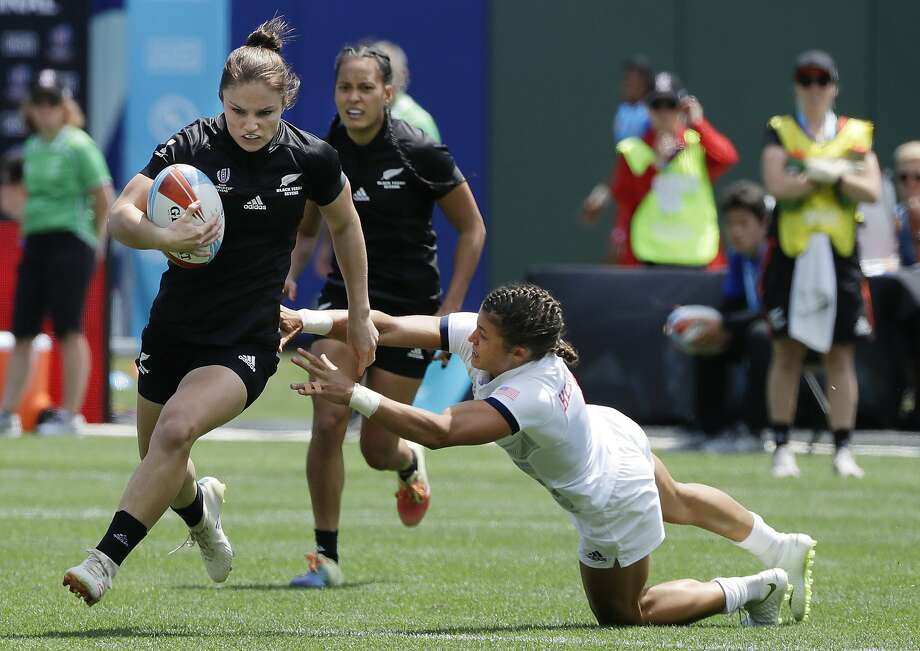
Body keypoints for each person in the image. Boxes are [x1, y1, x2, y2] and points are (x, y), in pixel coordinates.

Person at [61, 18, 378, 606]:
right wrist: (165, 236)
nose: (251, 125)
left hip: (247, 335)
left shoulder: (312, 158)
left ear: (286, 101)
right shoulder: (192, 146)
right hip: (175, 325)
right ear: (221, 102)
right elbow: (121, 217)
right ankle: (202, 514)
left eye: (265, 112)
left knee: (177, 431)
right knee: (162, 456)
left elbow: (346, 226)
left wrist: (359, 313)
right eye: (238, 112)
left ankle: (103, 561)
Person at [280, 283, 817, 626]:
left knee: (626, 614)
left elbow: (441, 431)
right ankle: (779, 545)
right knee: (676, 499)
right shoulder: (497, 342)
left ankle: (755, 589)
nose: (472, 341)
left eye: (484, 337)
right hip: (611, 434)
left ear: (517, 352)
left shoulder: (529, 393)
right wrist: (308, 318)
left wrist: (354, 395)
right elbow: (391, 327)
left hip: (610, 496)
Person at [284, 45, 486, 589]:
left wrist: (449, 311)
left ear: (387, 94)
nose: (354, 98)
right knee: (328, 418)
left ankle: (406, 462)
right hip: (342, 302)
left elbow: (473, 229)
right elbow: (305, 231)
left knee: (376, 447)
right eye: (346, 88)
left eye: (366, 88)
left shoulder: (420, 152)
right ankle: (325, 556)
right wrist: (288, 272)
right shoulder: (322, 156)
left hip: (409, 310)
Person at [761, 50, 880, 479]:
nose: (814, 89)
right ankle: (781, 446)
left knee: (840, 352)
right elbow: (777, 183)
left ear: (834, 86)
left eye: (822, 80)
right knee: (788, 349)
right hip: (793, 253)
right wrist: (820, 171)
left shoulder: (855, 133)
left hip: (839, 254)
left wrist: (828, 174)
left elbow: (870, 187)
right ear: (797, 84)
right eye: (806, 80)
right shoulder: (782, 129)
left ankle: (843, 448)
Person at [0, 71, 113, 437]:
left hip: (71, 241)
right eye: (40, 103)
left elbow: (103, 196)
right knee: (23, 331)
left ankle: (69, 415)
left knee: (68, 328)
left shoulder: (78, 145)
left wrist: (96, 245)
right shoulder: (31, 148)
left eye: (53, 103)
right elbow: (25, 200)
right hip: (36, 243)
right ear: (31, 109)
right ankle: (7, 413)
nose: (46, 110)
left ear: (64, 107)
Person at [582, 72, 737, 267]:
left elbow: (727, 158)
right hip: (650, 258)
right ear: (647, 109)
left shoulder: (698, 143)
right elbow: (625, 199)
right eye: (657, 106)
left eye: (671, 105)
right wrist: (656, 164)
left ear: (681, 108)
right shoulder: (632, 150)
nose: (664, 113)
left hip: (698, 257)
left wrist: (699, 123)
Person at [691, 181, 772, 452]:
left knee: (760, 336)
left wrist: (725, 323)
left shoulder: (778, 254)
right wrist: (712, 325)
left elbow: (772, 311)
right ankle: (710, 431)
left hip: (787, 334)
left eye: (744, 223)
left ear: (763, 224)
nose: (736, 231)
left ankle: (755, 432)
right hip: (754, 326)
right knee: (708, 339)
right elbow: (733, 303)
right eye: (731, 223)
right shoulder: (737, 257)